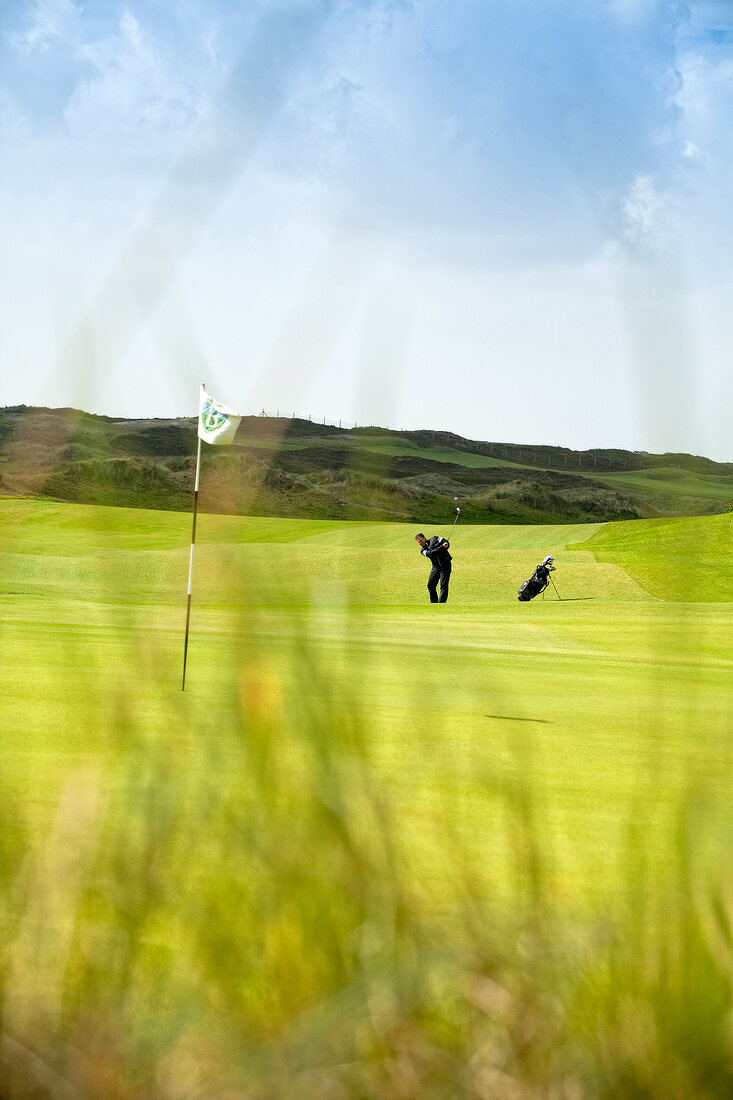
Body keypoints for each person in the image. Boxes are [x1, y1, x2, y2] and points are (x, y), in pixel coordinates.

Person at [415, 532, 452, 603]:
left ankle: (441, 604)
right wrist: (442, 547)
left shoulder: (435, 538)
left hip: (445, 565)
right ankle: (434, 604)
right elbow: (431, 554)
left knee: (443, 585)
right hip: (436, 567)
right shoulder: (423, 550)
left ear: (424, 538)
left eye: (420, 540)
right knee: (430, 585)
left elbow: (446, 542)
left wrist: (446, 545)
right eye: (418, 542)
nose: (420, 543)